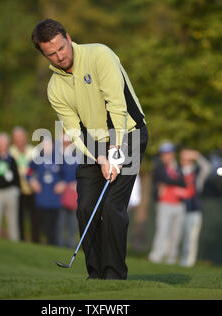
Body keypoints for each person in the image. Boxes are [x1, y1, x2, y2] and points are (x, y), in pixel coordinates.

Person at [32, 19, 148, 279]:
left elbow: (117, 105)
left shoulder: (99, 55)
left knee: (111, 207)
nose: (59, 56)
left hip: (128, 133)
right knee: (85, 206)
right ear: (44, 55)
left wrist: (115, 151)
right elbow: (73, 131)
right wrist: (99, 156)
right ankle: (95, 274)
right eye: (51, 53)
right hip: (92, 145)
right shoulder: (55, 88)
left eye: (61, 47)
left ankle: (114, 275)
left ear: (68, 37)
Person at [148, 142, 186, 265]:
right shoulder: (158, 167)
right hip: (164, 203)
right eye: (164, 154)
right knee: (162, 230)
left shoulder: (179, 167)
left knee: (176, 233)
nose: (166, 156)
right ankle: (156, 256)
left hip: (179, 204)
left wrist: (173, 183)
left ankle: (171, 258)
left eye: (168, 153)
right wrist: (175, 182)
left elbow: (185, 182)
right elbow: (164, 179)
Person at [26, 139, 64, 245]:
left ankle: (53, 245)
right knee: (38, 225)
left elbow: (67, 174)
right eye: (44, 145)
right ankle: (35, 245)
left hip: (55, 199)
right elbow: (28, 172)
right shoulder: (37, 159)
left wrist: (63, 183)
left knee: (53, 228)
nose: (47, 147)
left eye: (49, 145)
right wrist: (32, 181)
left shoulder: (59, 159)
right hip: (41, 198)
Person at [178, 149, 211, 267]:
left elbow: (207, 167)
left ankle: (188, 262)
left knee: (191, 238)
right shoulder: (178, 171)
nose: (185, 161)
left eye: (187, 159)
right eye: (183, 159)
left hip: (194, 210)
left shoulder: (197, 173)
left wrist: (197, 155)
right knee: (177, 236)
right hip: (179, 208)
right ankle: (177, 259)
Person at [9, 126, 38, 242]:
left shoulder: (33, 151)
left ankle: (36, 242)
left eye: (21, 137)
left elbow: (37, 169)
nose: (19, 140)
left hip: (32, 190)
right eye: (17, 138)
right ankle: (20, 240)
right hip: (17, 190)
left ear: (25, 138)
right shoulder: (10, 152)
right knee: (18, 217)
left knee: (35, 218)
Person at [56, 133, 80, 248]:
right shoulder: (59, 156)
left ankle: (71, 243)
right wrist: (63, 183)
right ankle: (60, 242)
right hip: (62, 192)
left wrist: (76, 183)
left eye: (67, 143)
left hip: (75, 192)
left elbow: (78, 172)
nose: (66, 145)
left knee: (73, 221)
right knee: (61, 220)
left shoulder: (76, 155)